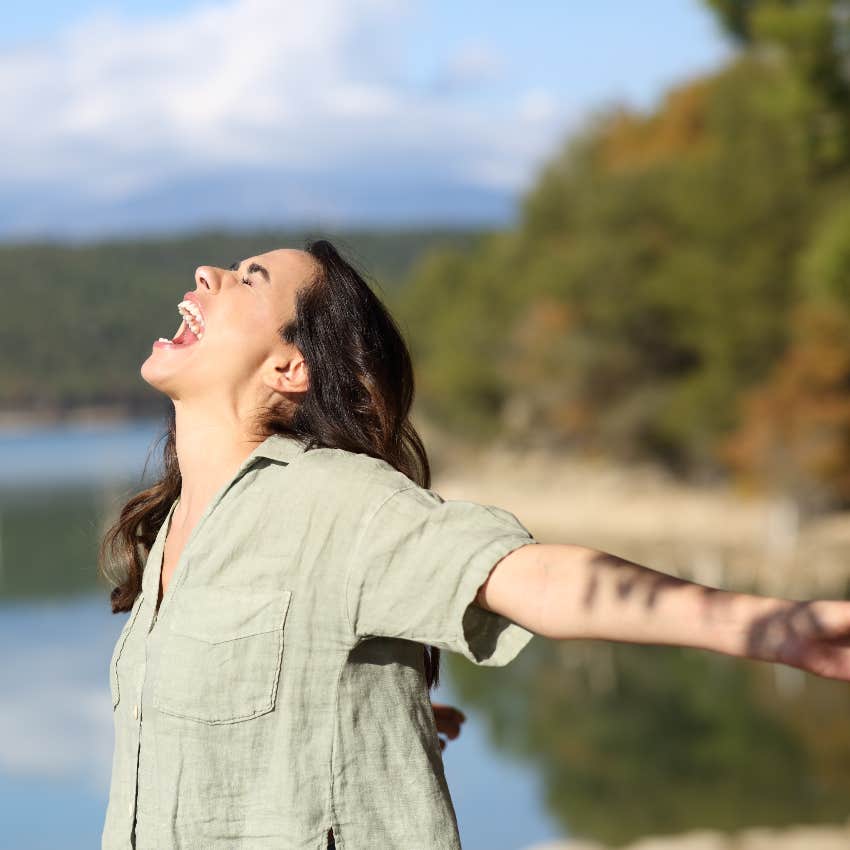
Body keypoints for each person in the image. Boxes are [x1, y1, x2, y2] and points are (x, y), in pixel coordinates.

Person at [100, 239, 850, 850]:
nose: (209, 273)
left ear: (288, 367)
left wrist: (771, 628)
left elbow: (539, 579)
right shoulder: (174, 533)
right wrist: (359, 717)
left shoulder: (336, 500)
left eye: (248, 278)